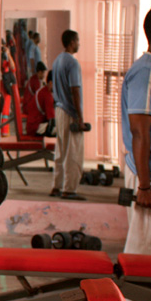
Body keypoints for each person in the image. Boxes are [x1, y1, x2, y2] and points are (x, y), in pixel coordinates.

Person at [120, 4, 151, 301]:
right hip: (150, 177)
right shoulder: (148, 71)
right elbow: (139, 131)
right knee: (144, 251)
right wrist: (145, 185)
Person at [50, 29, 85, 200]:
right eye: (77, 41)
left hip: (59, 110)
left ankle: (56, 186)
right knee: (73, 152)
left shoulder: (57, 61)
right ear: (72, 42)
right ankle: (69, 189)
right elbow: (75, 90)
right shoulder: (72, 63)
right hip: (70, 111)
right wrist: (80, 117)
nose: (79, 44)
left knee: (61, 150)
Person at [24, 70, 55, 137]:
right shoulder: (47, 95)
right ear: (50, 83)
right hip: (35, 127)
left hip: (31, 125)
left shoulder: (43, 90)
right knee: (61, 128)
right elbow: (52, 119)